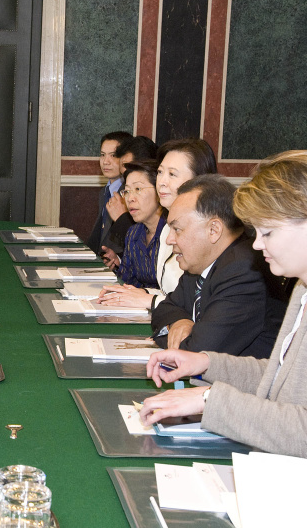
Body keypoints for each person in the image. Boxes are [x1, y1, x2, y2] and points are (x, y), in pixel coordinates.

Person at [140, 151, 307, 457]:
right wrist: (207, 363)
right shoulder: (302, 289)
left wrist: (209, 399)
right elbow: (277, 379)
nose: (257, 244)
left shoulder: (249, 269)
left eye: (268, 232)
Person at [151, 174, 287, 358]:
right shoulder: (201, 262)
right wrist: (179, 321)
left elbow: (196, 354)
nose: (169, 239)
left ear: (214, 230)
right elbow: (165, 307)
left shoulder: (244, 271)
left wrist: (172, 334)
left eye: (177, 229)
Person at [99, 138, 217, 309]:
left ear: (200, 180)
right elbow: (171, 294)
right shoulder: (166, 231)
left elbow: (197, 304)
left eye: (172, 174)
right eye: (160, 172)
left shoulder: (207, 231)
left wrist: (149, 300)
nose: (161, 182)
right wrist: (129, 293)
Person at [105, 160, 165, 289]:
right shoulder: (133, 233)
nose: (130, 198)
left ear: (160, 191)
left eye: (138, 189)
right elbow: (126, 282)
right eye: (126, 191)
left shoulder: (173, 233)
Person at [101, 136, 159, 265]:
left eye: (138, 187)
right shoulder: (121, 193)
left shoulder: (170, 228)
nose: (130, 196)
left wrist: (122, 219)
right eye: (124, 176)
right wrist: (119, 261)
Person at [86, 131, 133, 255]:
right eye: (102, 155)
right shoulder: (104, 192)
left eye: (113, 155)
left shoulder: (130, 194)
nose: (105, 161)